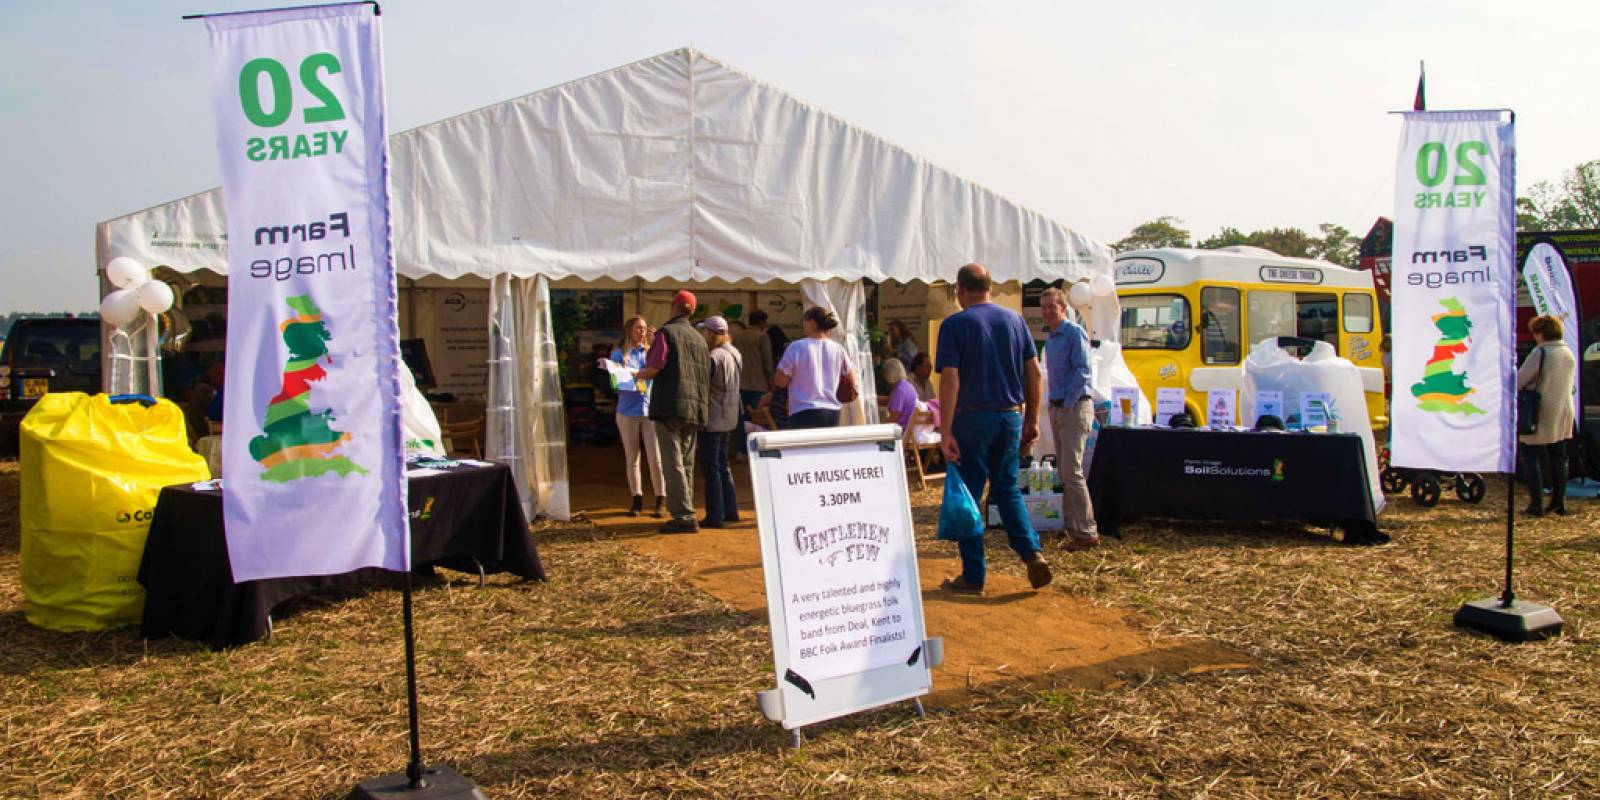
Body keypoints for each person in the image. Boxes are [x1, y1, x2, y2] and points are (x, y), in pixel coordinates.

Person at [936, 263, 1051, 595]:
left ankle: (973, 576)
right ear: (990, 286)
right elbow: (1034, 373)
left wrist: (945, 431)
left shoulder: (956, 324)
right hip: (1010, 416)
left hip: (973, 418)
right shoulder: (1015, 320)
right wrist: (1031, 419)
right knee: (1007, 489)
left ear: (959, 289)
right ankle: (1032, 554)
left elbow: (951, 378)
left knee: (968, 495)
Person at [635, 290, 710, 533]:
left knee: (672, 462)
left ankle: (683, 516)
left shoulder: (667, 333)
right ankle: (687, 511)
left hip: (670, 406)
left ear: (674, 306)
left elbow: (655, 366)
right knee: (686, 463)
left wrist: (636, 375)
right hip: (695, 406)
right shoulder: (699, 338)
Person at [1040, 287, 1097, 549]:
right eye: (1044, 307)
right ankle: (1072, 526)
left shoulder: (1074, 333)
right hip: (1058, 406)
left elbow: (1083, 371)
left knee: (1072, 472)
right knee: (1064, 472)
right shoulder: (1051, 339)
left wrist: (1068, 403)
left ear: (1063, 308)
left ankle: (1086, 532)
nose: (1048, 312)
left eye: (1052, 306)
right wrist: (1055, 405)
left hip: (1074, 407)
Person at [1519, 314, 1577, 516]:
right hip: (1563, 411)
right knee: (1559, 457)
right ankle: (1559, 502)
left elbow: (1519, 380)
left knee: (1530, 455)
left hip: (1540, 411)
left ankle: (1536, 504)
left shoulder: (1540, 353)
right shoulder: (1568, 352)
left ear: (1541, 333)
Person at [609, 316, 666, 517]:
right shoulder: (618, 354)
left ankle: (661, 499)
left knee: (655, 457)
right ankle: (637, 499)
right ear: (629, 331)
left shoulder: (650, 353)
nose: (641, 332)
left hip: (649, 410)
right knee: (632, 457)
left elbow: (658, 371)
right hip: (627, 411)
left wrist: (655, 344)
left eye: (644, 329)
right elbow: (615, 384)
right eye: (638, 329)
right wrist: (634, 378)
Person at [771, 307, 854, 429]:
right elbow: (851, 378)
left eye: (804, 320)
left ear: (812, 323)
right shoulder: (838, 349)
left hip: (803, 410)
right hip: (832, 411)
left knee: (803, 447)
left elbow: (780, 382)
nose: (802, 324)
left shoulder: (796, 347)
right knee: (826, 447)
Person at [697, 316, 743, 527]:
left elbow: (704, 384)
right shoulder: (734, 352)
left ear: (710, 333)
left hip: (714, 416)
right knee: (723, 464)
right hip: (730, 415)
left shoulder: (714, 357)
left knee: (711, 466)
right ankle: (730, 510)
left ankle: (715, 514)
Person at [734, 309, 776, 453]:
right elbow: (768, 363)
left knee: (741, 419)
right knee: (759, 420)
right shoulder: (762, 337)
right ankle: (758, 449)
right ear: (761, 322)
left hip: (740, 384)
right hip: (759, 385)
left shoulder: (738, 336)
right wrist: (771, 382)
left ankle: (741, 450)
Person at [883, 358, 938, 444]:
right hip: (911, 430)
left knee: (877, 443)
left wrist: (878, 427)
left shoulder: (899, 390)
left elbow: (893, 419)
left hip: (903, 433)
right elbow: (893, 401)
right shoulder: (907, 386)